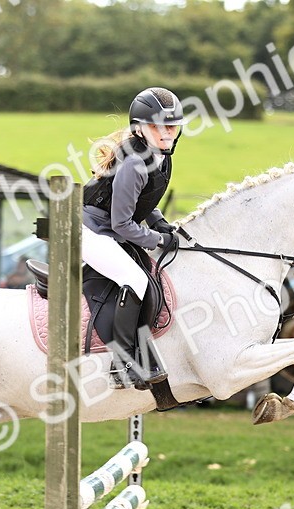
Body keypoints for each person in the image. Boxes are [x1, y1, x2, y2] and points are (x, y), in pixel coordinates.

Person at [82, 87, 183, 389]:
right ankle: (121, 363)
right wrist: (157, 240)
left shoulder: (161, 156)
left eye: (172, 126)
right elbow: (123, 223)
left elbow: (145, 202)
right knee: (135, 280)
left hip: (112, 229)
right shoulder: (134, 164)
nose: (167, 133)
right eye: (158, 126)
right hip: (90, 232)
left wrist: (162, 223)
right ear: (140, 128)